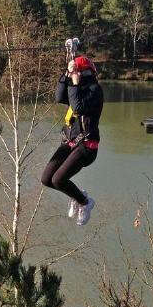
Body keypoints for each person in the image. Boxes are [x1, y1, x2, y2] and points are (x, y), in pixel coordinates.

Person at [41, 54, 103, 226]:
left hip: (86, 146)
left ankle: (85, 202)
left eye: (78, 72)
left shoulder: (94, 90)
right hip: (69, 143)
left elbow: (78, 107)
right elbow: (60, 97)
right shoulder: (75, 89)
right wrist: (66, 75)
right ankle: (77, 195)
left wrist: (75, 83)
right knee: (46, 179)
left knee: (58, 180)